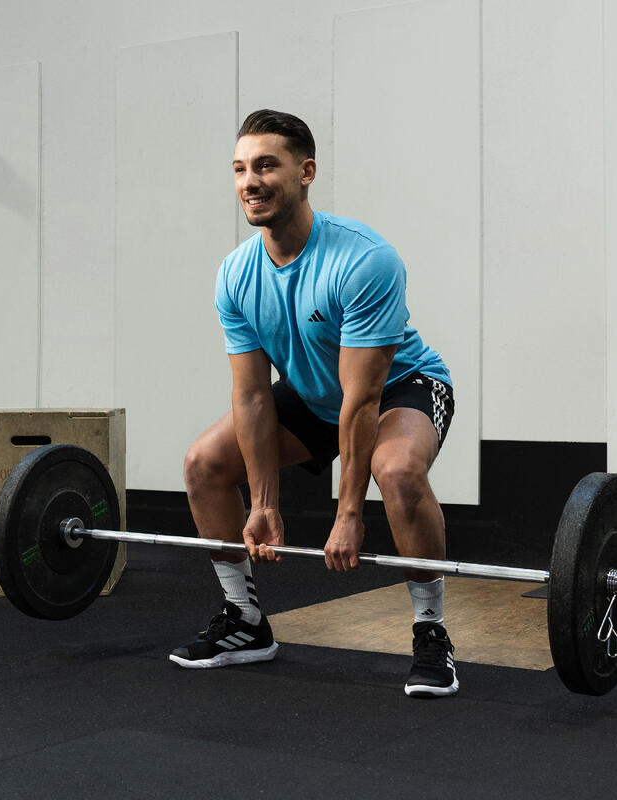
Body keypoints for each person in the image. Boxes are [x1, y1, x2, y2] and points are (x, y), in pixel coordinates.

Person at [169, 109, 458, 697]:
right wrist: (264, 504)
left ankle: (432, 630)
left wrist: (349, 514)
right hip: (311, 397)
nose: (251, 180)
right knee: (204, 464)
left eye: (267, 165)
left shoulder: (364, 259)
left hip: (401, 387)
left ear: (306, 173)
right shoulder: (235, 274)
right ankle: (245, 622)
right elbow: (251, 394)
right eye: (240, 168)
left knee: (397, 472)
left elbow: (364, 395)